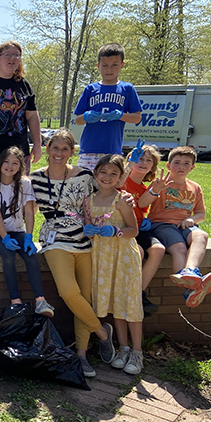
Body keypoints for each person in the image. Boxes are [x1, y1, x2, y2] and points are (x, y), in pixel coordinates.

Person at [30, 129, 115, 378]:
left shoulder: (84, 176)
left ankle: (81, 354)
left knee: (84, 298)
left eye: (64, 149)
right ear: (47, 149)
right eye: (55, 148)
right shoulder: (34, 179)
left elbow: (103, 197)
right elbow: (22, 206)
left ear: (72, 151)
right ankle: (102, 333)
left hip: (85, 240)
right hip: (55, 240)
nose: (59, 154)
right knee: (68, 292)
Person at [85, 155, 144, 374]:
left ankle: (137, 353)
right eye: (103, 172)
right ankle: (123, 348)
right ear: (95, 174)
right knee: (116, 304)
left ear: (120, 177)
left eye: (113, 174)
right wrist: (88, 231)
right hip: (102, 257)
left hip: (124, 257)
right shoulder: (88, 201)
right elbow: (89, 227)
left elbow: (134, 230)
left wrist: (117, 231)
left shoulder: (122, 200)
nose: (107, 177)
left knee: (130, 303)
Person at [0, 147, 54, 317]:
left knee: (31, 255)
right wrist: (5, 238)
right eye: (7, 162)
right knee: (8, 255)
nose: (10, 166)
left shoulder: (25, 183)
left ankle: (40, 301)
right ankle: (15, 301)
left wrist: (29, 236)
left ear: (20, 166)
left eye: (15, 163)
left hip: (17, 230)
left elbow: (29, 212)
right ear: (0, 163)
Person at [146, 146, 211, 307]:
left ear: (192, 167)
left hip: (184, 225)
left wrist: (192, 219)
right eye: (177, 162)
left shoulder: (195, 187)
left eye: (186, 163)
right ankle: (188, 287)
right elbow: (145, 202)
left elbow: (201, 214)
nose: (181, 167)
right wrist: (155, 190)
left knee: (202, 235)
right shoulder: (161, 184)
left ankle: (190, 272)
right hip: (161, 224)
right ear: (169, 166)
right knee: (180, 248)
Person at [73, 43, 142, 172]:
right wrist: (87, 116)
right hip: (88, 149)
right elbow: (78, 120)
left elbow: (137, 117)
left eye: (114, 65)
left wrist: (121, 115)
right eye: (105, 65)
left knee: (109, 185)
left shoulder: (127, 89)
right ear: (98, 66)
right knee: (85, 186)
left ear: (122, 65)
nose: (109, 70)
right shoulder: (90, 89)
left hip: (112, 149)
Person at [122, 140, 166, 315]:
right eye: (140, 158)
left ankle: (138, 294)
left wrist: (155, 191)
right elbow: (119, 181)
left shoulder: (144, 188)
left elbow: (141, 203)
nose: (143, 162)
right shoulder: (123, 179)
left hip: (139, 228)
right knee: (138, 252)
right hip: (124, 228)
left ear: (152, 168)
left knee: (158, 249)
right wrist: (130, 162)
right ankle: (129, 294)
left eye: (149, 160)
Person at [0, 41, 42, 174]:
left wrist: (37, 145)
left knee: (19, 192)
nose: (13, 58)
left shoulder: (23, 84)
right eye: (7, 54)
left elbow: (32, 116)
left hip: (19, 152)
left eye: (17, 55)